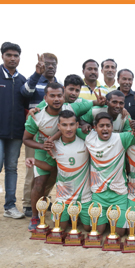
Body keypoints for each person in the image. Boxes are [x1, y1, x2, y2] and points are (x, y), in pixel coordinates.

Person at [23, 82, 105, 231]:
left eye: (59, 95)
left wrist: (120, 110)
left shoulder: (72, 107)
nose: (56, 99)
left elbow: (95, 104)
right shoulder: (37, 114)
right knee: (40, 182)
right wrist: (44, 146)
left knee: (68, 175)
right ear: (45, 97)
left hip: (64, 146)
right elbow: (26, 139)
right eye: (52, 96)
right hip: (44, 149)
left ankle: (76, 211)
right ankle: (36, 216)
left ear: (64, 96)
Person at [25, 110, 92, 232]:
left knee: (88, 228)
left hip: (84, 197)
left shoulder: (85, 141)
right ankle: (70, 215)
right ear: (58, 126)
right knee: (60, 227)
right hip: (63, 198)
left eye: (72, 124)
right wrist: (34, 161)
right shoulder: (54, 145)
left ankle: (79, 216)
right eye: (64, 125)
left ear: (77, 125)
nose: (68, 128)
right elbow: (50, 167)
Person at [21, 53, 61, 217]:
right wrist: (37, 74)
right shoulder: (35, 81)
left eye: (53, 64)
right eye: (47, 64)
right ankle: (28, 205)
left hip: (55, 138)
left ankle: (43, 200)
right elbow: (24, 94)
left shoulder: (58, 86)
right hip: (37, 132)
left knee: (51, 174)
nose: (50, 67)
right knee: (34, 173)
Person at [0, 41, 27, 219]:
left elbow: (26, 105)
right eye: (9, 55)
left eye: (15, 55)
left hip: (16, 133)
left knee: (12, 168)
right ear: (2, 56)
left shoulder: (22, 80)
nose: (12, 58)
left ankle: (10, 206)